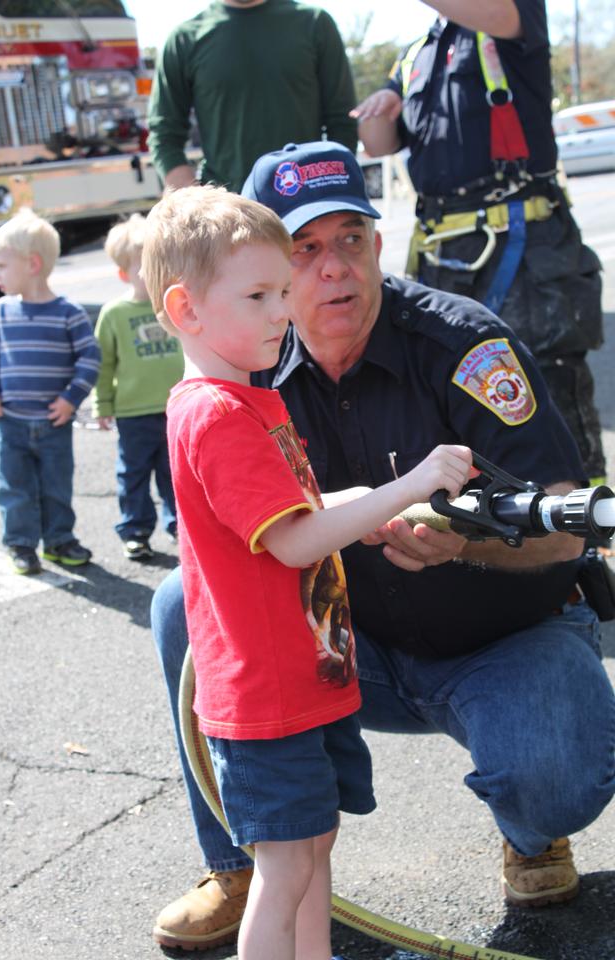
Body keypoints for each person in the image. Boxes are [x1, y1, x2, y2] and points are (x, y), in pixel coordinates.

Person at [149, 141, 615, 952]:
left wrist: (466, 546)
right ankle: (241, 863)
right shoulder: (246, 369)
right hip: (341, 647)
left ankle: (533, 834)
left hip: (495, 644)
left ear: (377, 241)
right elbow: (279, 537)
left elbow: (570, 530)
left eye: (351, 240)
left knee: (556, 771)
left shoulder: (465, 348)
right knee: (180, 604)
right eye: (303, 251)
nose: (333, 270)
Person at [142, 183, 474, 960]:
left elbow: (301, 505)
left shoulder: (249, 400)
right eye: (259, 294)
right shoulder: (219, 414)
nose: (282, 312)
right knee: (286, 865)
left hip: (305, 678)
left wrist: (365, 501)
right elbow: (295, 543)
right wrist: (411, 482)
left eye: (281, 292)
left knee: (313, 849)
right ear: (187, 310)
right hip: (269, 697)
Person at [350, 0, 606, 484]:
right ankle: (486, 525)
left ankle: (586, 532)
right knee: (454, 389)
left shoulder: (509, 15)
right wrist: (377, 113)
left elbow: (494, 13)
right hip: (446, 249)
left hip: (521, 242)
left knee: (547, 384)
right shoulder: (417, 53)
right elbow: (379, 144)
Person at [0, 208, 100, 576]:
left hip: (53, 421)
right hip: (10, 421)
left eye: (0, 266)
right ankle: (21, 544)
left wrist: (71, 398)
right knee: (14, 487)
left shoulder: (68, 313)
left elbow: (89, 358)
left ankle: (59, 540)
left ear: (32, 263)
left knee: (56, 486)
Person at [147, 0, 357, 194]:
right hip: (229, 212)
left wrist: (331, 195)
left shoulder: (314, 23)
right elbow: (164, 136)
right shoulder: (184, 39)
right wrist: (199, 205)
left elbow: (343, 122)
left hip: (307, 209)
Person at [92, 214, 184, 560]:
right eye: (143, 266)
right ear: (124, 273)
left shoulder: (173, 305)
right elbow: (104, 364)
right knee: (133, 474)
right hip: (133, 411)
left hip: (174, 407)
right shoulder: (114, 313)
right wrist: (103, 405)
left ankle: (179, 526)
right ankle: (135, 529)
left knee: (174, 473)